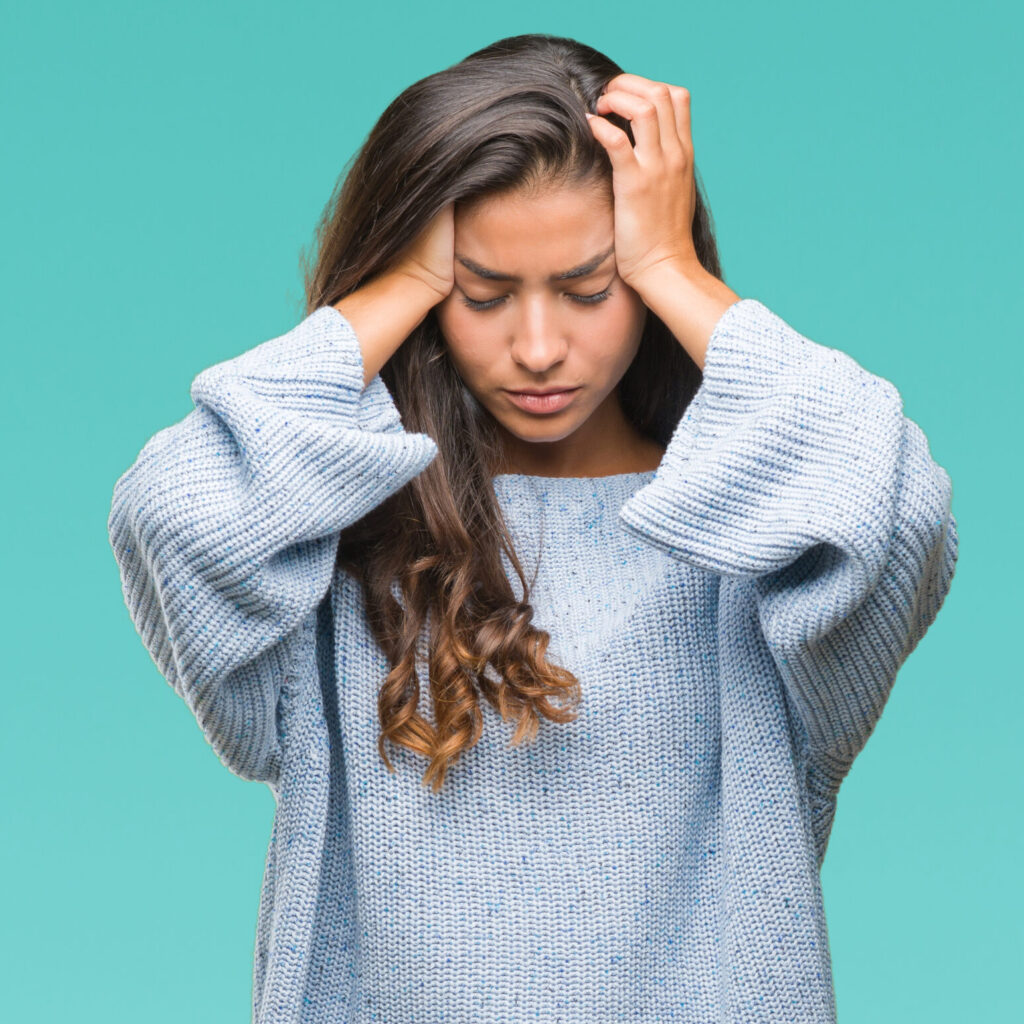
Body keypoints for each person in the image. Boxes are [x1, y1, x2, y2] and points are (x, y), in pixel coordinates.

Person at [106, 32, 959, 1024]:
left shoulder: (752, 538)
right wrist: (394, 287)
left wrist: (672, 265)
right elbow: (170, 515)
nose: (540, 346)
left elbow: (895, 508)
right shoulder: (340, 534)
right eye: (483, 292)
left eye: (591, 288)